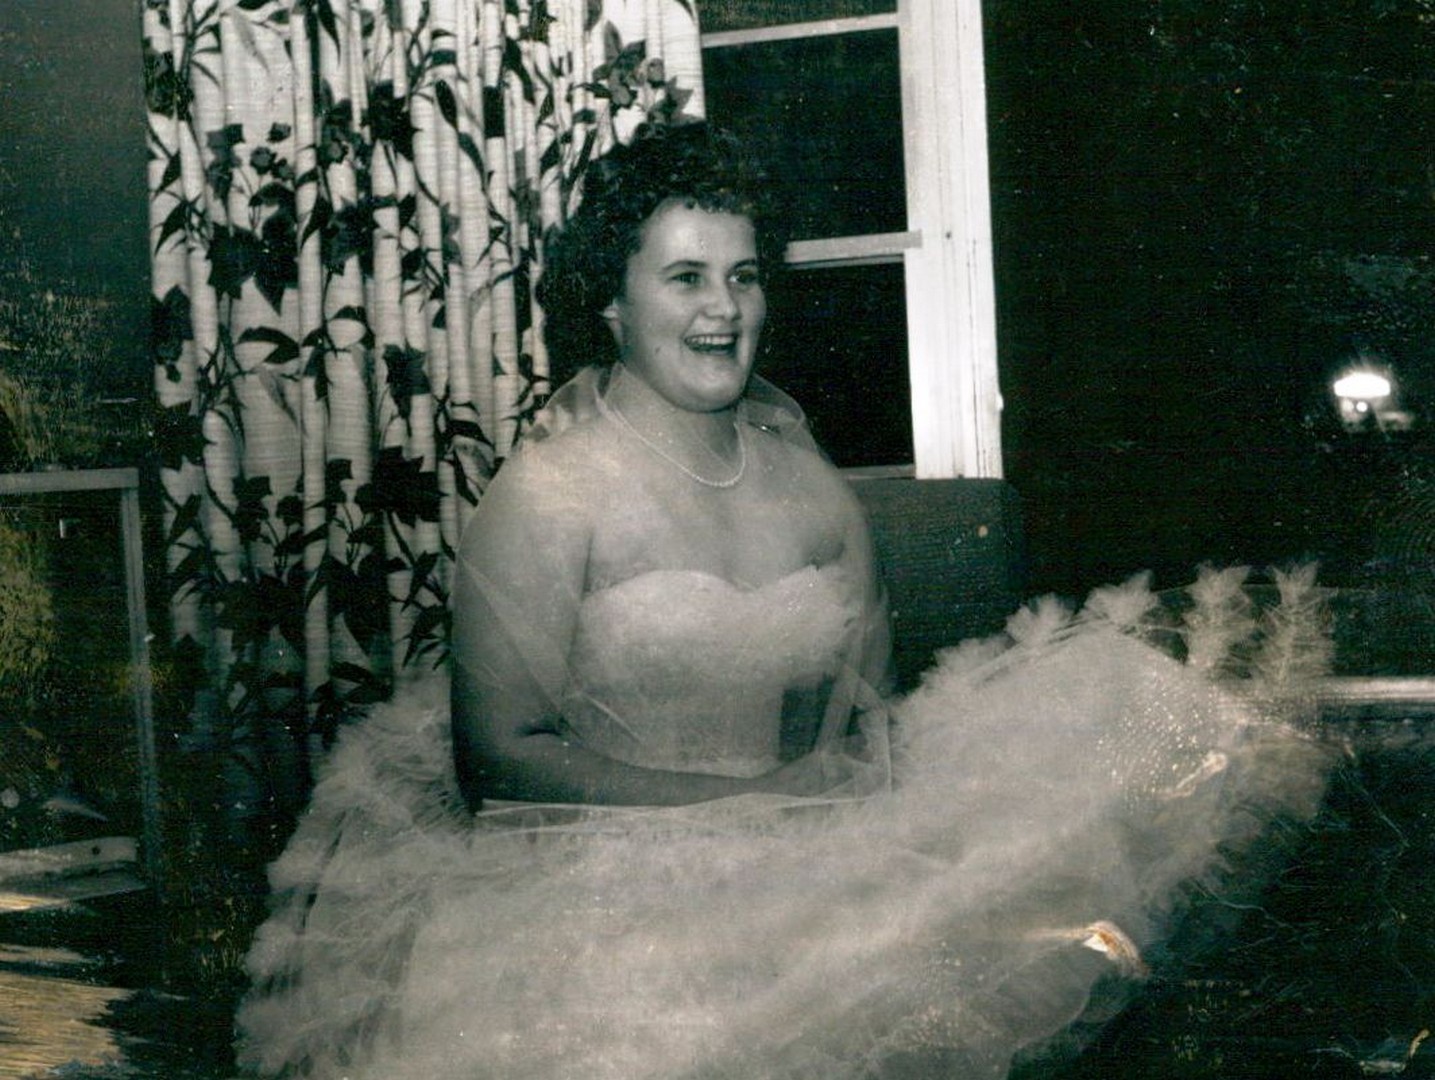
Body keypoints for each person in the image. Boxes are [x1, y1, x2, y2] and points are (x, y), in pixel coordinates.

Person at [236, 122, 1335, 1080]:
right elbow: (500, 754)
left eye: (744, 276)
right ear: (611, 304)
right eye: (685, 277)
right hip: (592, 892)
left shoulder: (812, 489)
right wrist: (742, 805)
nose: (723, 309)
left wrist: (829, 804)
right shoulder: (548, 493)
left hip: (796, 866)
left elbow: (866, 716)